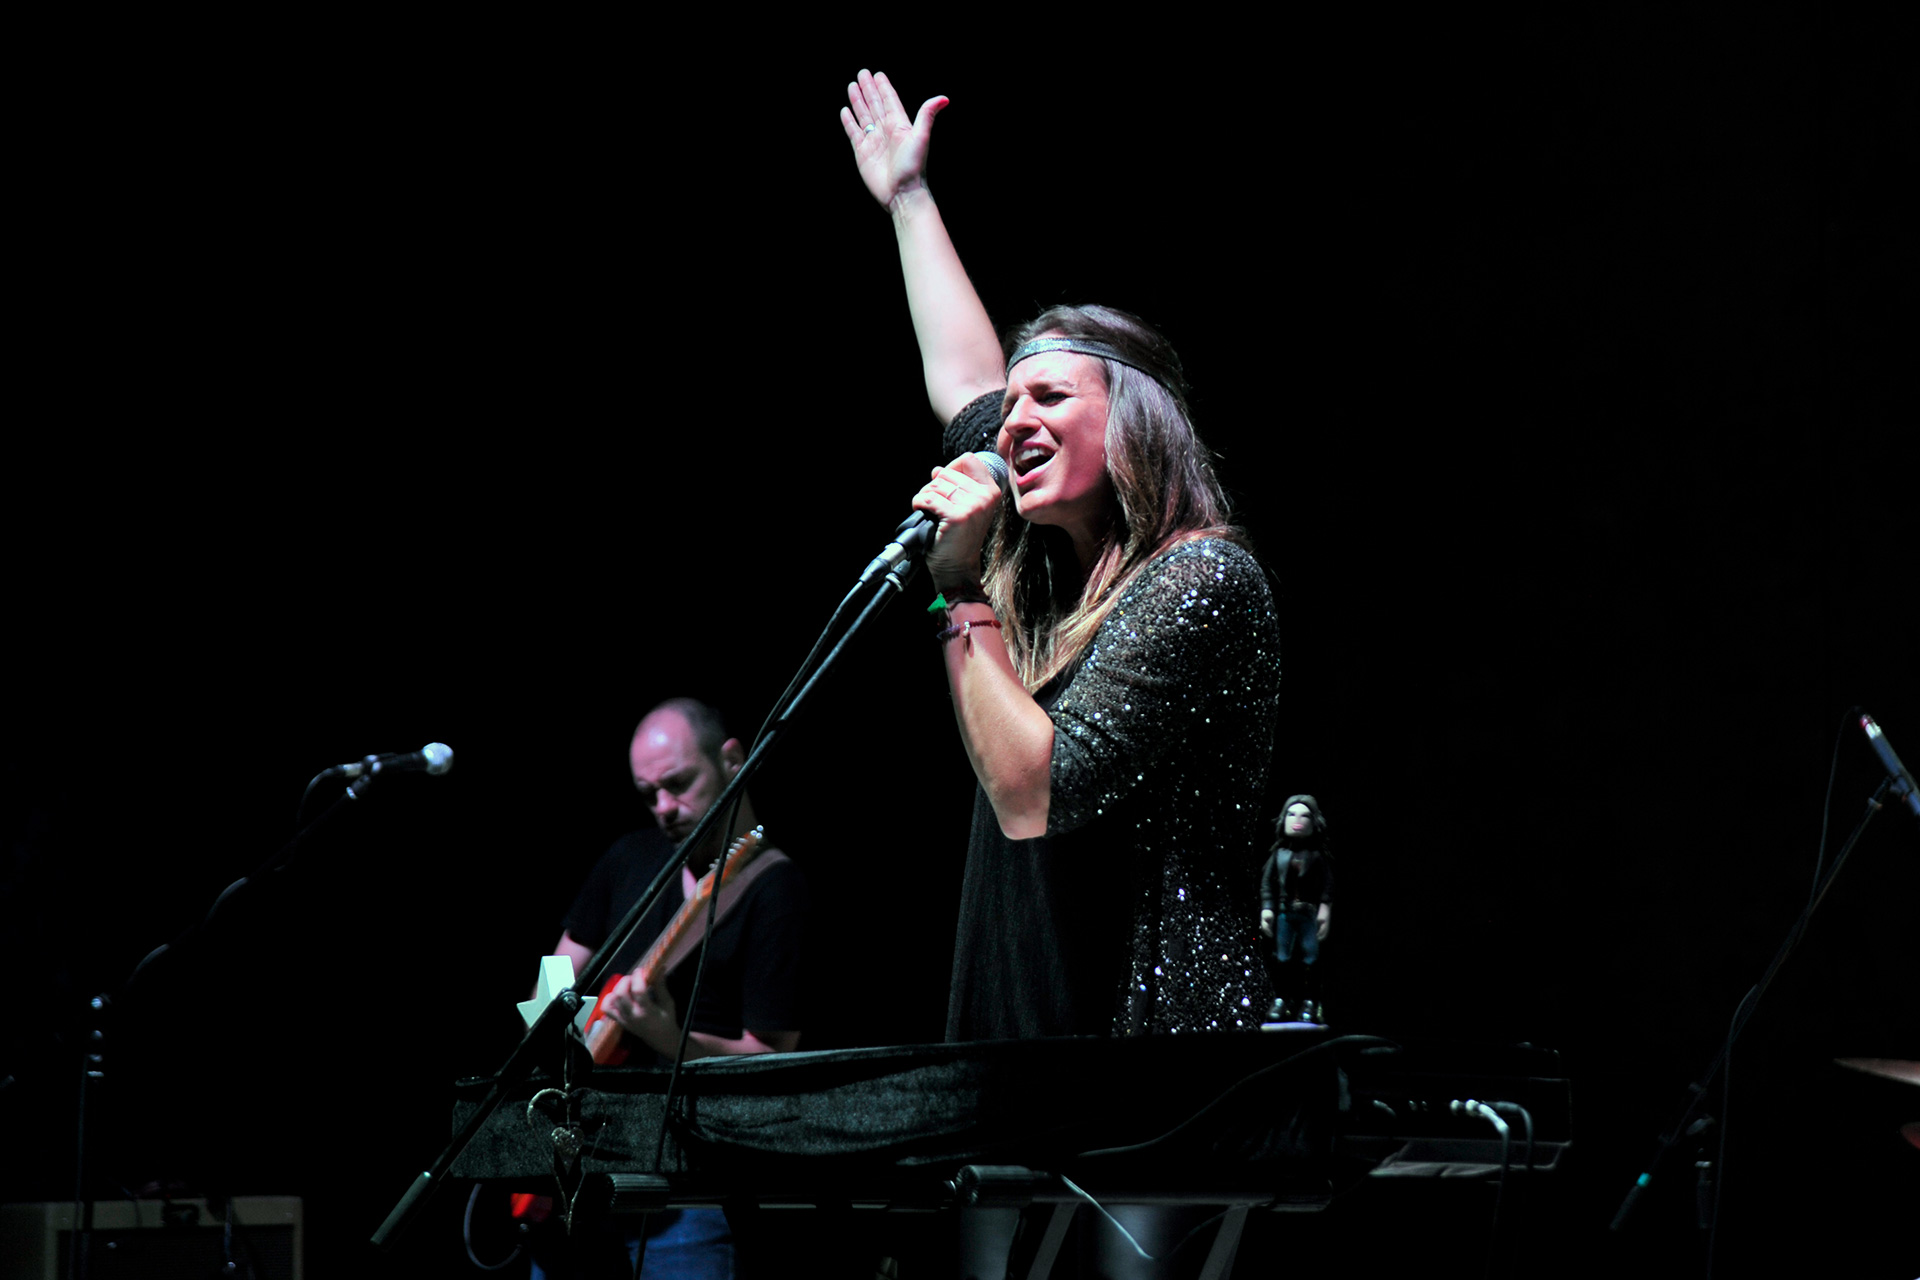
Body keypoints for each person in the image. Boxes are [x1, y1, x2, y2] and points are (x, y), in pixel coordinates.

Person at [841, 69, 1280, 1042]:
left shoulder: (1199, 576)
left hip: (1159, 1052)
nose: (1012, 422)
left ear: (1132, 422)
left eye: (1049, 399)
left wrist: (960, 590)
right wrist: (909, 199)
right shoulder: (1048, 569)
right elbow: (963, 377)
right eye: (1014, 402)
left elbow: (1038, 790)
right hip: (1031, 1028)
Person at [539, 697, 807, 1278]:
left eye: (679, 784)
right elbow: (554, 974)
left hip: (689, 1191)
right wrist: (562, 1026)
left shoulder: (771, 887)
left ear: (732, 759)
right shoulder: (629, 858)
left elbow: (772, 1064)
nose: (663, 807)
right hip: (585, 1173)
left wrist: (667, 1037)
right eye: (647, 793)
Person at [1259, 795, 1334, 1024]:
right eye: (1291, 814)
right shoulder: (1278, 855)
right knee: (1283, 958)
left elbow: (1327, 886)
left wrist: (1324, 909)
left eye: (1304, 815)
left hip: (1308, 915)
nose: (1297, 820)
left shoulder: (1318, 857)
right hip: (1284, 914)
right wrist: (1267, 909)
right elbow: (1267, 884)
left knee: (1310, 958)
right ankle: (1282, 999)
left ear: (1314, 822)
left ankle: (1310, 1002)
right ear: (1283, 820)